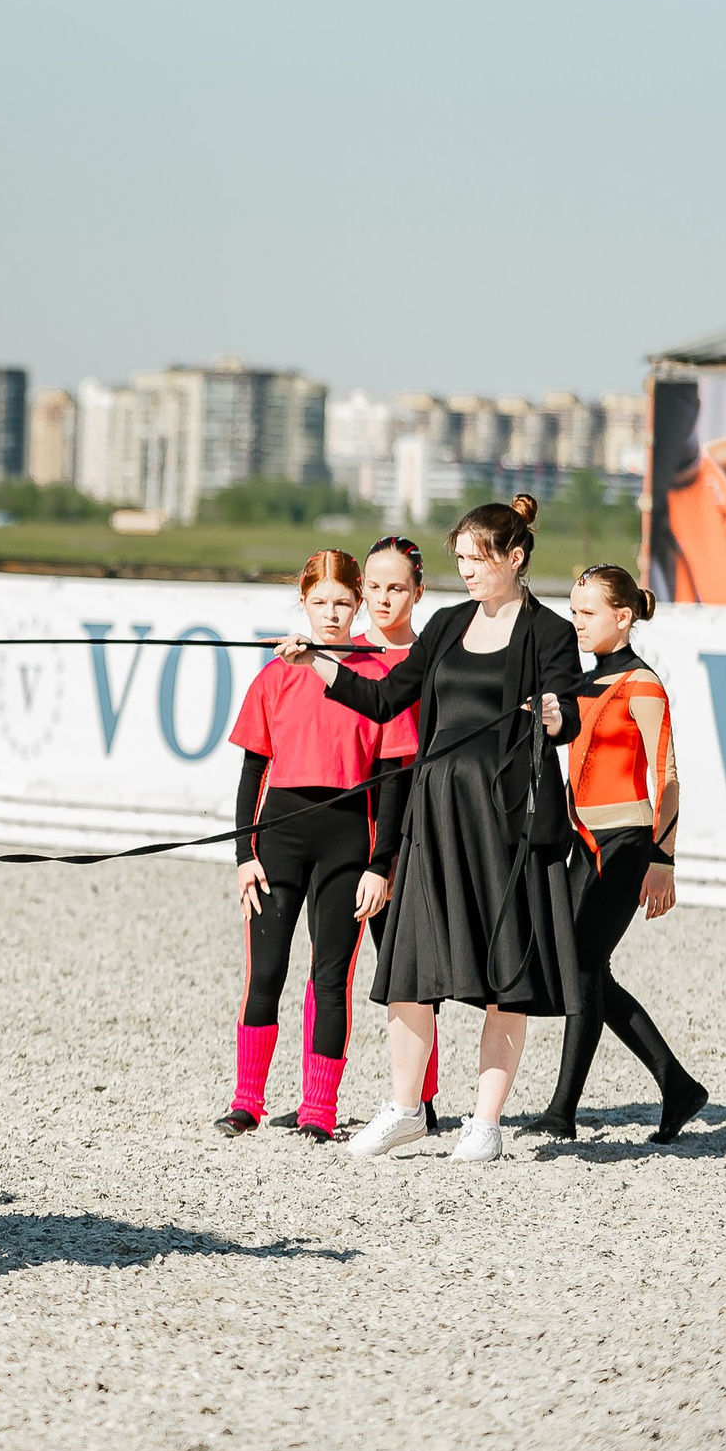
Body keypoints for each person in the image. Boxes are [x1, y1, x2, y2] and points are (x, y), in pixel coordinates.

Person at [281, 495, 582, 1165]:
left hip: (506, 824)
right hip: (436, 817)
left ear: (515, 557)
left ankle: (486, 1121)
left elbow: (568, 719)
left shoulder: (549, 633)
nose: (468, 571)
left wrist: (553, 714)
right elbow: (386, 697)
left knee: (508, 973)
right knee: (409, 966)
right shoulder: (445, 625)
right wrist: (319, 663)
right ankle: (403, 1107)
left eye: (478, 559)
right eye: (462, 560)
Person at [218, 550, 415, 1142]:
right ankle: (246, 1101)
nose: (331, 614)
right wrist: (243, 854)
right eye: (320, 602)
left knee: (330, 977)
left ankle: (318, 1109)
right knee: (266, 973)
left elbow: (393, 786)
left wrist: (381, 866)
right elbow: (253, 773)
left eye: (343, 603)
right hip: (280, 835)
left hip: (348, 839)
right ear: (302, 603)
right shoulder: (275, 675)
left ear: (359, 606)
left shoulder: (377, 679)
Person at [528, 564, 707, 1143]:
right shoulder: (581, 683)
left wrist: (664, 858)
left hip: (627, 845)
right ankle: (677, 1084)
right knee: (585, 968)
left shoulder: (643, 684)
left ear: (623, 617)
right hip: (581, 841)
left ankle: (563, 1111)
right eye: (574, 611)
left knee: (580, 966)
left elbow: (669, 775)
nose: (575, 623)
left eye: (587, 614)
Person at [351, 535, 443, 1131]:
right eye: (375, 587)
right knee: (329, 964)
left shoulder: (429, 660)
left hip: (403, 834)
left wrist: (385, 858)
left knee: (408, 968)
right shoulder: (341, 653)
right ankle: (317, 1101)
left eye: (397, 589)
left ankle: (422, 1098)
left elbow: (409, 763)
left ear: (418, 592)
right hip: (338, 827)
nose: (384, 599)